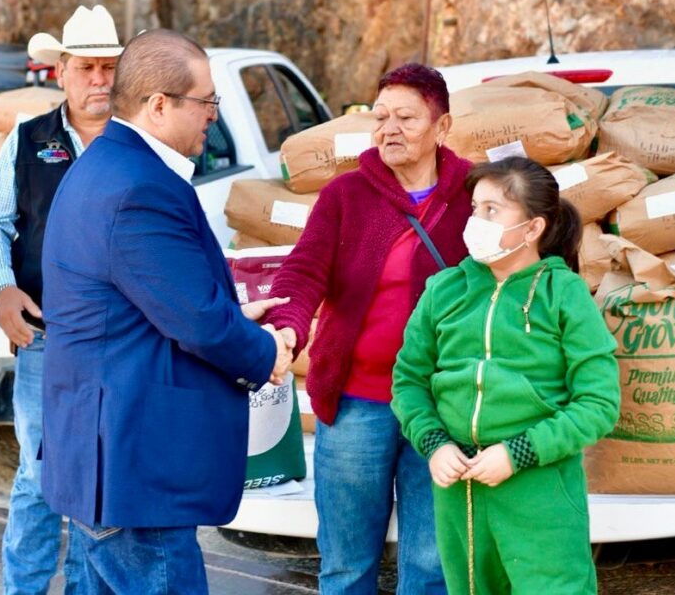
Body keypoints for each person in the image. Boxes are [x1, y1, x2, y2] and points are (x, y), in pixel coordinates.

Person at [39, 28, 292, 594]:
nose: (213, 116)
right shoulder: (138, 187)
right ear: (158, 105)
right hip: (134, 467)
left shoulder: (109, 165)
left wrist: (235, 315)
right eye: (206, 102)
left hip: (110, 458)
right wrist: (267, 352)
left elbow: (147, 305)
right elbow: (196, 321)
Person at [262, 63, 472, 594]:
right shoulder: (346, 195)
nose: (389, 129)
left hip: (442, 404)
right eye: (380, 117)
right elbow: (305, 271)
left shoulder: (474, 193)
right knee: (345, 565)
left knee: (431, 568)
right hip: (358, 402)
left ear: (442, 127)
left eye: (406, 117)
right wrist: (287, 326)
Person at [390, 157, 620, 595]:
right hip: (458, 493)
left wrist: (519, 452)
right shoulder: (445, 289)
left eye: (492, 211)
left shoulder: (563, 293)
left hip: (540, 490)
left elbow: (599, 404)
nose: (476, 221)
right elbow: (409, 381)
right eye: (475, 208)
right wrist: (434, 444)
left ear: (532, 229)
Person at [0, 3, 122, 594]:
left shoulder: (136, 145)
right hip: (43, 335)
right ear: (61, 70)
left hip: (120, 339)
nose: (99, 80)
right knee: (40, 474)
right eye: (87, 67)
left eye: (109, 68)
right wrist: (0, 288)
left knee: (100, 475)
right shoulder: (28, 138)